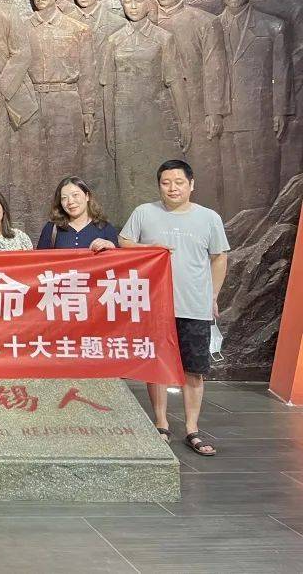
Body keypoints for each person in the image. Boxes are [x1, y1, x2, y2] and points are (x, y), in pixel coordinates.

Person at [120, 159, 229, 457]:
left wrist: (212, 295)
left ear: (191, 184)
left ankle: (192, 428)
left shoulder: (209, 218)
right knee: (156, 366)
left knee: (194, 370)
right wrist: (150, 250)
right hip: (155, 305)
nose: (172, 188)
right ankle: (161, 423)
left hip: (194, 305)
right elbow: (125, 242)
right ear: (159, 186)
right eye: (166, 182)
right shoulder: (144, 212)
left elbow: (219, 257)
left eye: (179, 182)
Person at [36, 176, 118, 251]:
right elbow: (40, 259)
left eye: (75, 195)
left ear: (87, 196)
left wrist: (112, 247)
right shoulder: (51, 228)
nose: (70, 202)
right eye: (64, 198)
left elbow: (119, 259)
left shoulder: (105, 228)